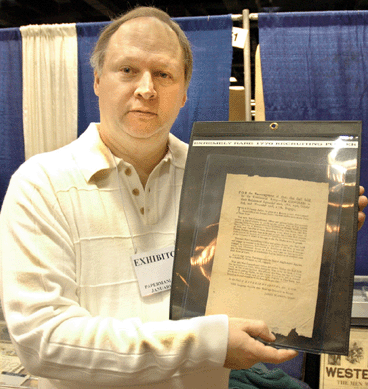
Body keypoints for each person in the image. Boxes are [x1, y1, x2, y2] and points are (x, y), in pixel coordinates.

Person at [0, 6, 366, 389]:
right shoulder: (40, 186)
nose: (146, 88)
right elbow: (43, 342)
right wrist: (206, 345)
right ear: (97, 80)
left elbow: (249, 295)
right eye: (127, 70)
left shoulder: (217, 177)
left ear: (184, 92)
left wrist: (314, 243)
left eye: (164, 74)